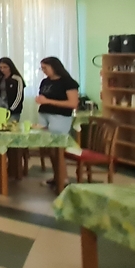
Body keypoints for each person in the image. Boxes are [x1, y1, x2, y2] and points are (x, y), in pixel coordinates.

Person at [35, 56, 80, 187]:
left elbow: (73, 103)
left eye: (45, 68)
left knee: (58, 149)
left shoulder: (68, 82)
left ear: (54, 67)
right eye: (41, 68)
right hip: (44, 115)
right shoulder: (45, 82)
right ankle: (57, 177)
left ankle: (63, 179)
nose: (43, 71)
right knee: (50, 150)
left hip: (60, 117)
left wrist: (48, 101)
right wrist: (41, 100)